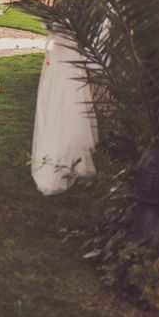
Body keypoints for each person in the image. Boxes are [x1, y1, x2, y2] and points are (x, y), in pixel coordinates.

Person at [31, 32, 98, 195]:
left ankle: (71, 155)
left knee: (67, 103)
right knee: (66, 104)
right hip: (64, 61)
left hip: (66, 61)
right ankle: (68, 156)